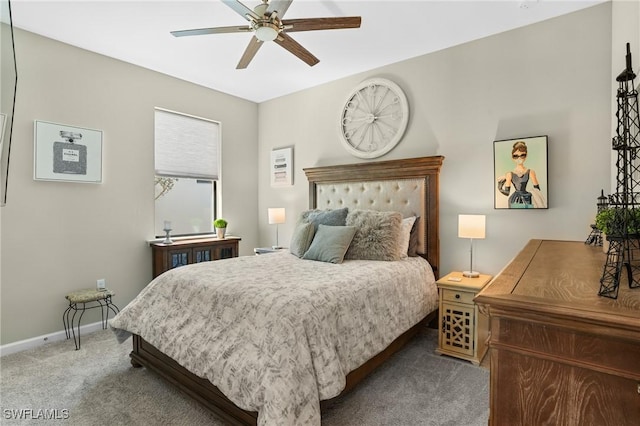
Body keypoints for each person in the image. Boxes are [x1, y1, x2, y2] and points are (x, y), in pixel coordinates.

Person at [497, 140, 547, 208]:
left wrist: (530, 194)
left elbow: (537, 191)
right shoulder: (509, 174)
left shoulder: (530, 172)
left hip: (527, 198)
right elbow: (507, 193)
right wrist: (499, 186)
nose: (519, 158)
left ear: (526, 156)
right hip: (515, 200)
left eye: (522, 155)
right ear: (512, 158)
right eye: (516, 156)